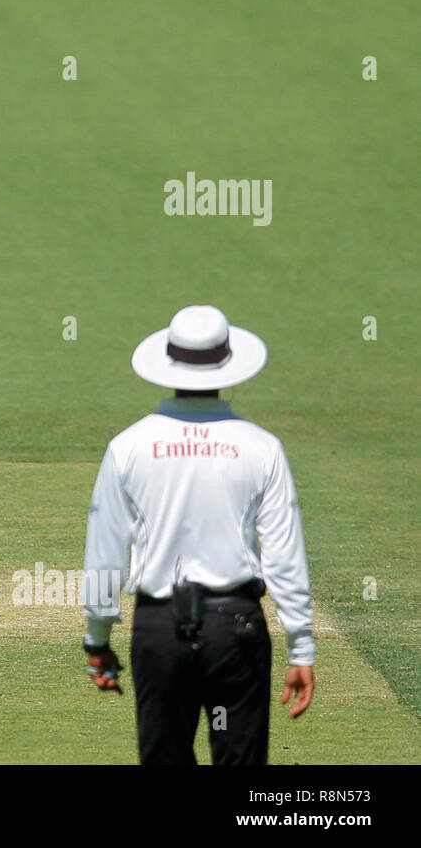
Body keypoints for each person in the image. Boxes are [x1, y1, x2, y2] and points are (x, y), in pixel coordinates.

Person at [81, 305, 316, 764]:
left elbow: (104, 555)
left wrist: (97, 641)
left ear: (168, 365)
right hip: (237, 630)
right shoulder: (262, 447)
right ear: (228, 365)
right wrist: (301, 646)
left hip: (158, 630)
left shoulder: (127, 446)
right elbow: (284, 555)